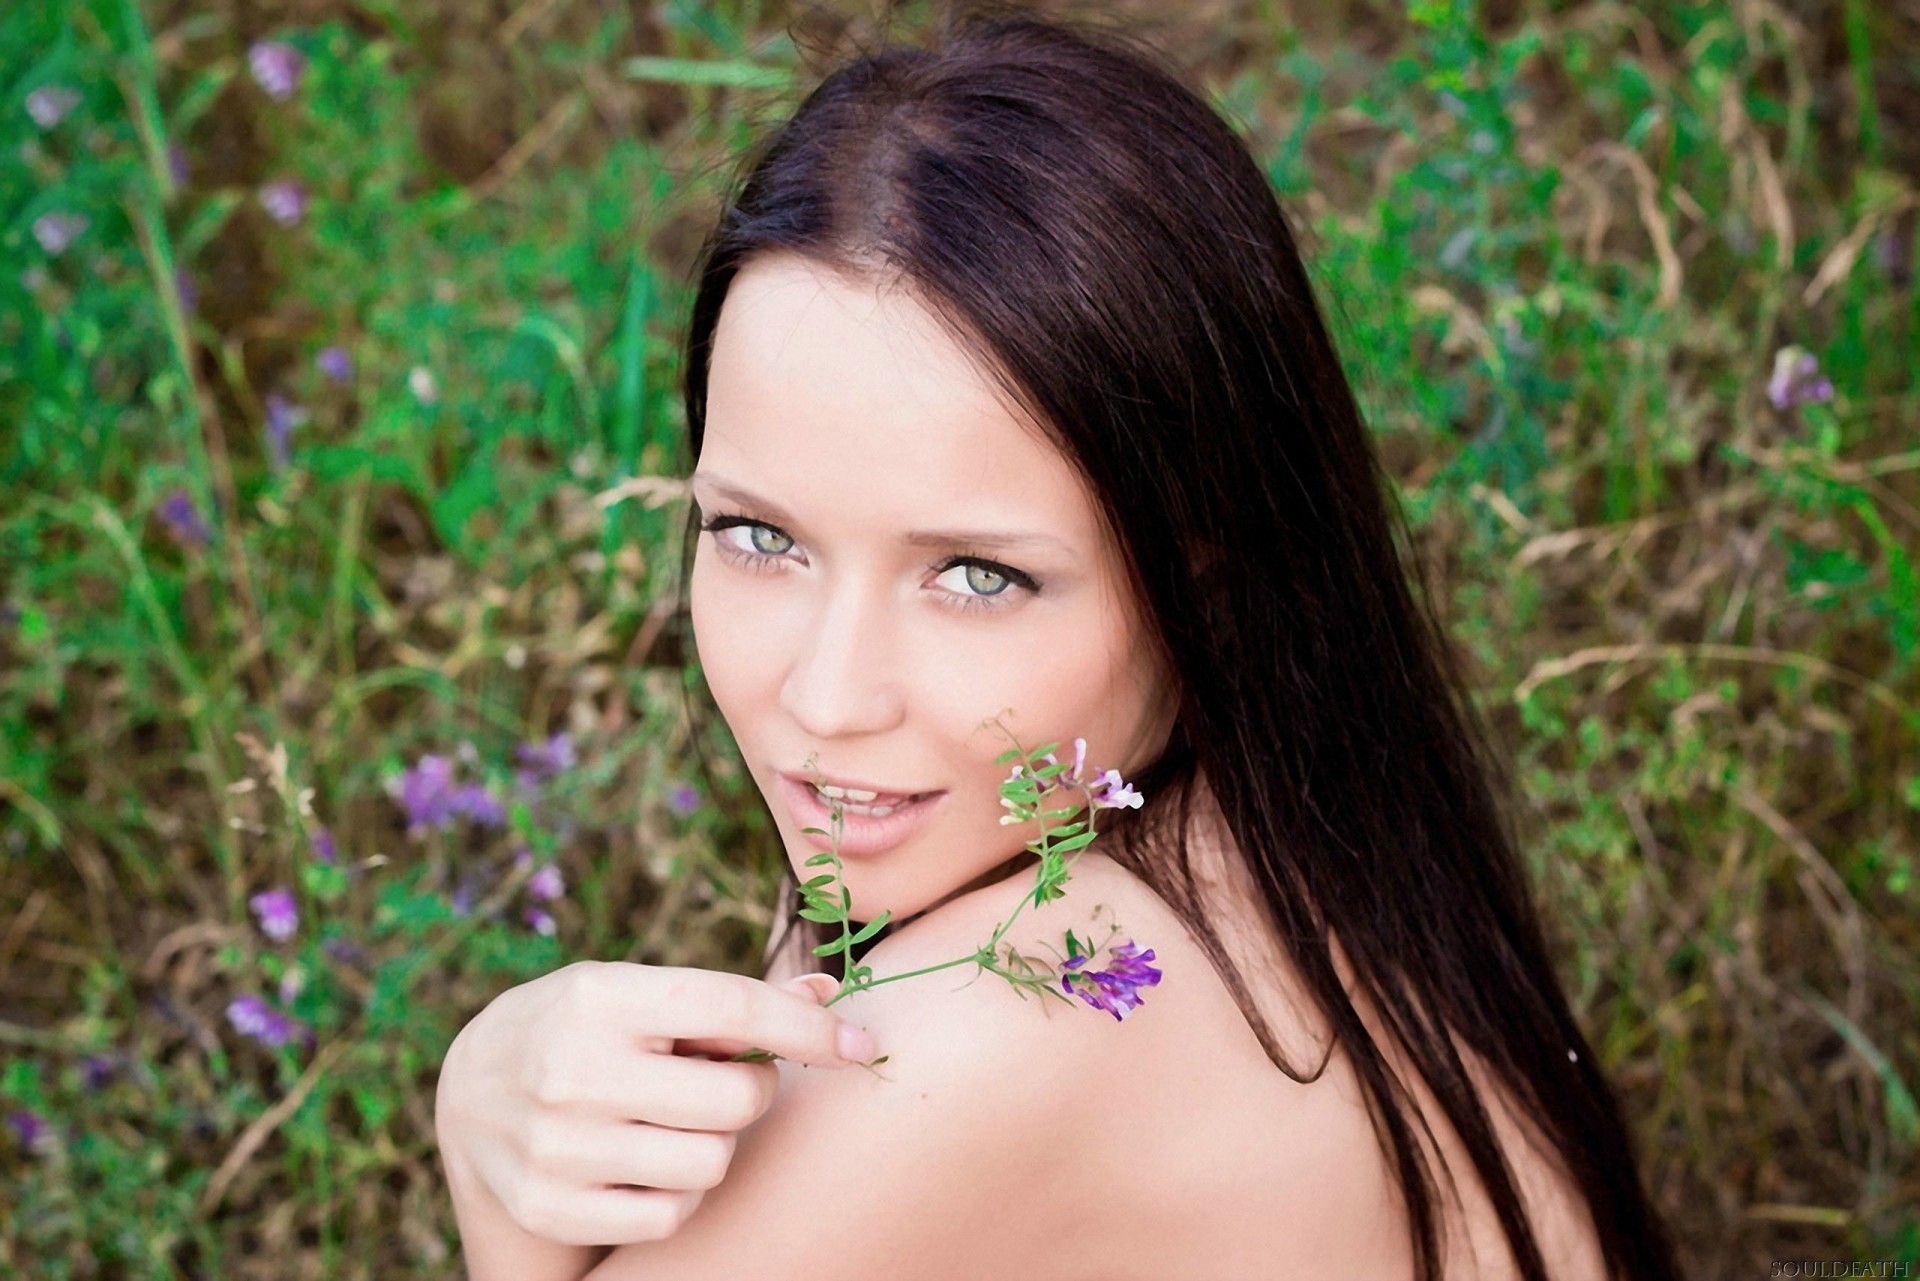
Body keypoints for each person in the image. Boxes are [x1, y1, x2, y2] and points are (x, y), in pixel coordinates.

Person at [433, 8, 1684, 1279]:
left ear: (1209, 584)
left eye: (976, 576)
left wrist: (493, 1167)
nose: (826, 694)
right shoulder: (1270, 844)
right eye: (761, 539)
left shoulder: (1022, 1013)